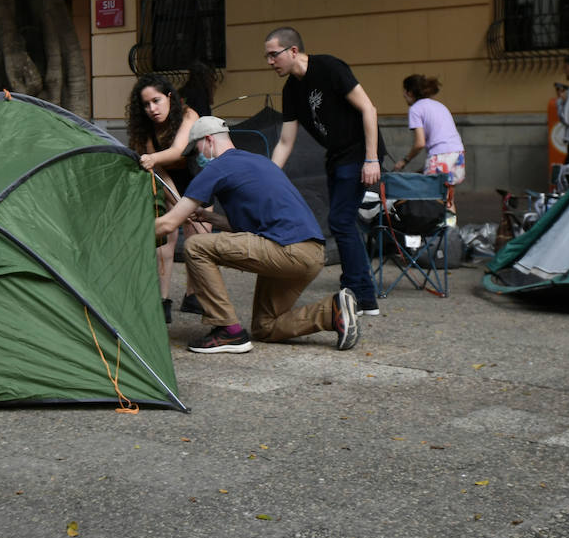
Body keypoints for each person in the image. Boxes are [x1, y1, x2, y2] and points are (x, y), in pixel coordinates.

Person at [154, 116, 360, 354]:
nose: (196, 157)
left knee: (196, 246)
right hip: (311, 253)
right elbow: (253, 226)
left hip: (287, 250)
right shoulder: (259, 162)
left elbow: (169, 223)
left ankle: (227, 331)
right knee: (265, 327)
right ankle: (332, 311)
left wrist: (131, 233)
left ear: (208, 140)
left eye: (196, 149)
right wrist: (210, 218)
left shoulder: (219, 166)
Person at [264, 26, 382, 316]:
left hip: (358, 153)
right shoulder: (290, 90)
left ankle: (359, 294)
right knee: (343, 222)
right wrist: (265, 177)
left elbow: (369, 109)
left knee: (340, 221)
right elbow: (285, 141)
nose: (269, 62)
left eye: (273, 55)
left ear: (293, 51)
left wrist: (371, 159)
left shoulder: (329, 67)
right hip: (336, 157)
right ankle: (362, 292)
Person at [127, 74, 203, 321]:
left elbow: (179, 151)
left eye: (156, 101)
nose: (152, 109)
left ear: (170, 97)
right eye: (146, 104)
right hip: (165, 179)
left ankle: (194, 296)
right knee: (166, 239)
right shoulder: (145, 130)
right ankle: (162, 301)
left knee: (197, 239)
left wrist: (152, 158)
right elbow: (159, 171)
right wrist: (179, 203)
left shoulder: (189, 115)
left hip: (197, 177)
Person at [394, 74, 466, 187]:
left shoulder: (415, 109)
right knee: (447, 197)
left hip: (440, 155)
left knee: (432, 200)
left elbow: (419, 143)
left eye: (404, 91)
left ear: (410, 92)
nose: (403, 94)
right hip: (458, 153)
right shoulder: (439, 105)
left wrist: (404, 161)